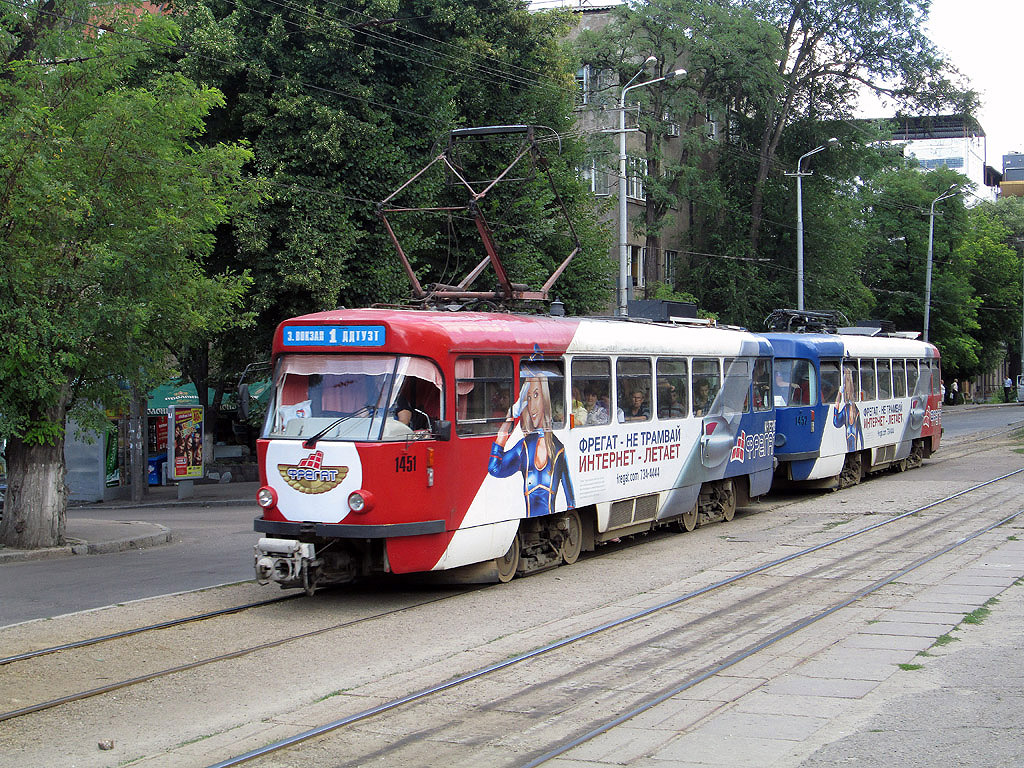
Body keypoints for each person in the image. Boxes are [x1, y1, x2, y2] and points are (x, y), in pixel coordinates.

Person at [488, 376, 575, 516]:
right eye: (528, 398)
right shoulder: (524, 447)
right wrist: (509, 418)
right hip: (530, 523)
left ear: (545, 398)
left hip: (551, 524)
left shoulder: (559, 449)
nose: (532, 405)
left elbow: (571, 502)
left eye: (536, 395)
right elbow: (494, 469)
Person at [833, 365, 863, 451]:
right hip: (850, 448)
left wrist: (839, 395)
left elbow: (860, 432)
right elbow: (836, 422)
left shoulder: (856, 411)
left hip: (853, 446)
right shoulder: (846, 410)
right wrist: (839, 395)